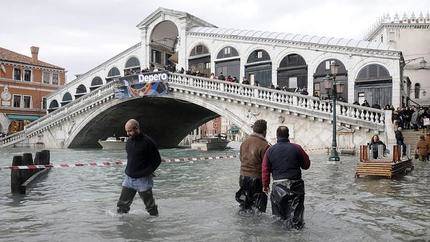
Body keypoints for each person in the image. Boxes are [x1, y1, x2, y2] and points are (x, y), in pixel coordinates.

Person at [262, 126, 311, 229]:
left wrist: (265, 185)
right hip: (296, 186)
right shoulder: (297, 148)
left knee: (278, 220)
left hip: (278, 186)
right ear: (288, 135)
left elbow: (265, 170)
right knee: (296, 219)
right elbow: (306, 165)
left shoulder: (270, 151)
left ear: (277, 136)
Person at [116, 119, 161, 216]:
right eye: (127, 131)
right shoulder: (128, 142)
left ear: (136, 129)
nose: (128, 133)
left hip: (143, 180)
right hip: (128, 179)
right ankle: (122, 228)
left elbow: (157, 160)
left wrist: (148, 171)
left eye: (130, 131)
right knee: (122, 206)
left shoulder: (148, 142)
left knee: (150, 207)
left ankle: (154, 226)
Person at [235, 119, 270, 212]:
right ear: (264, 131)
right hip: (257, 179)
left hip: (242, 177)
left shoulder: (244, 143)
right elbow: (266, 166)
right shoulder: (265, 145)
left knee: (244, 206)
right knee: (258, 210)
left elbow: (241, 159)